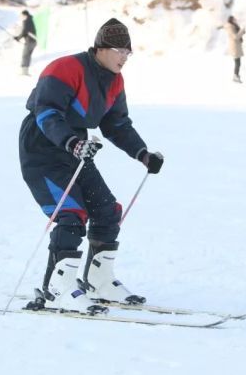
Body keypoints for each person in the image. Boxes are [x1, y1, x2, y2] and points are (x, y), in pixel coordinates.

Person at [19, 18, 164, 314]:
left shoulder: (115, 80)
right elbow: (45, 112)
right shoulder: (65, 69)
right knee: (71, 215)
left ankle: (99, 281)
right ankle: (56, 289)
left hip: (77, 149)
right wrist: (70, 141)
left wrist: (142, 154)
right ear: (100, 48)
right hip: (42, 149)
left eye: (128, 52)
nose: (124, 57)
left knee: (107, 211)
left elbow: (117, 124)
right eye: (119, 50)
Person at [14, 10, 36, 76]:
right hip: (34, 41)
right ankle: (26, 71)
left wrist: (18, 38)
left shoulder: (26, 21)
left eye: (22, 16)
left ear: (25, 15)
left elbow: (24, 31)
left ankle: (24, 72)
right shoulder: (32, 20)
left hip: (29, 41)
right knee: (28, 56)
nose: (21, 17)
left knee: (25, 56)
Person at [224, 15, 245, 83]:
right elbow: (235, 37)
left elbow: (238, 34)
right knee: (237, 62)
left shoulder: (234, 25)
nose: (235, 20)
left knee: (238, 62)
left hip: (237, 46)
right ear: (231, 20)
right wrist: (242, 31)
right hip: (234, 47)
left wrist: (242, 31)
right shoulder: (230, 27)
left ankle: (236, 76)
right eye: (234, 19)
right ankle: (235, 76)